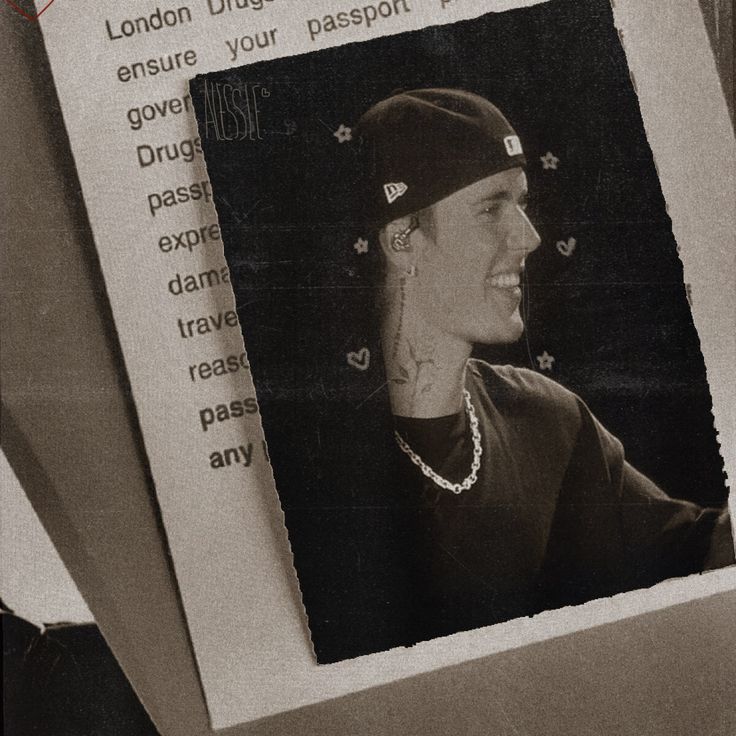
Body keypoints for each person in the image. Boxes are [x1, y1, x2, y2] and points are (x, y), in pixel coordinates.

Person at [350, 88, 734, 644]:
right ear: (402, 241)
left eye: (522, 203)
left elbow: (694, 551)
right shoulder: (318, 456)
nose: (529, 237)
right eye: (489, 208)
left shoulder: (547, 416)